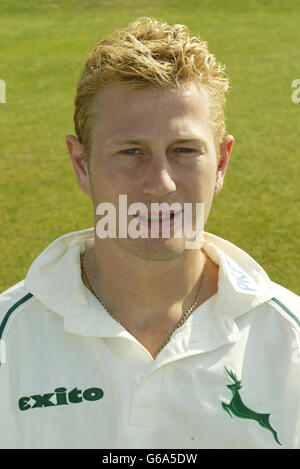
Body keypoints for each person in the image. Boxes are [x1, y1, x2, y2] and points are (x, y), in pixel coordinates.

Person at [0, 16, 299, 450]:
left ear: (220, 164)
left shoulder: (289, 340)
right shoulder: (10, 340)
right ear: (82, 165)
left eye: (184, 151)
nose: (161, 183)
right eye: (131, 152)